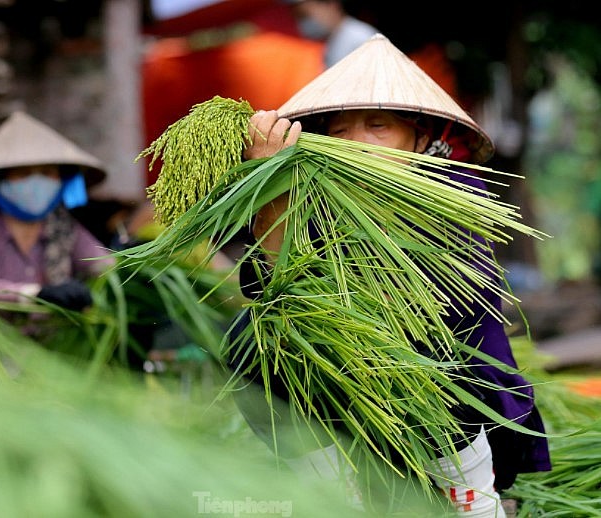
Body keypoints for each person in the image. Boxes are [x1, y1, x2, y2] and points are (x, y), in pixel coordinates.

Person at [226, 34, 551, 516]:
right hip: (348, 407)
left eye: (378, 125)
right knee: (249, 339)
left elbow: (447, 309)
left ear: (419, 135)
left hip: (456, 408)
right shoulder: (311, 199)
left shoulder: (454, 189)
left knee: (428, 346)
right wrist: (273, 192)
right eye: (339, 131)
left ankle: (475, 499)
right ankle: (334, 493)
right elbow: (273, 295)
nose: (357, 142)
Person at [0, 111, 114, 315]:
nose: (37, 182)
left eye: (47, 173)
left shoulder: (65, 230)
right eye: (24, 174)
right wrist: (35, 294)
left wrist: (134, 260)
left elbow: (105, 268)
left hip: (55, 342)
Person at [286, 0, 378, 68]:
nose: (304, 22)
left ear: (331, 4)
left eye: (305, 15)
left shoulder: (360, 37)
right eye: (298, 17)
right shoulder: (331, 41)